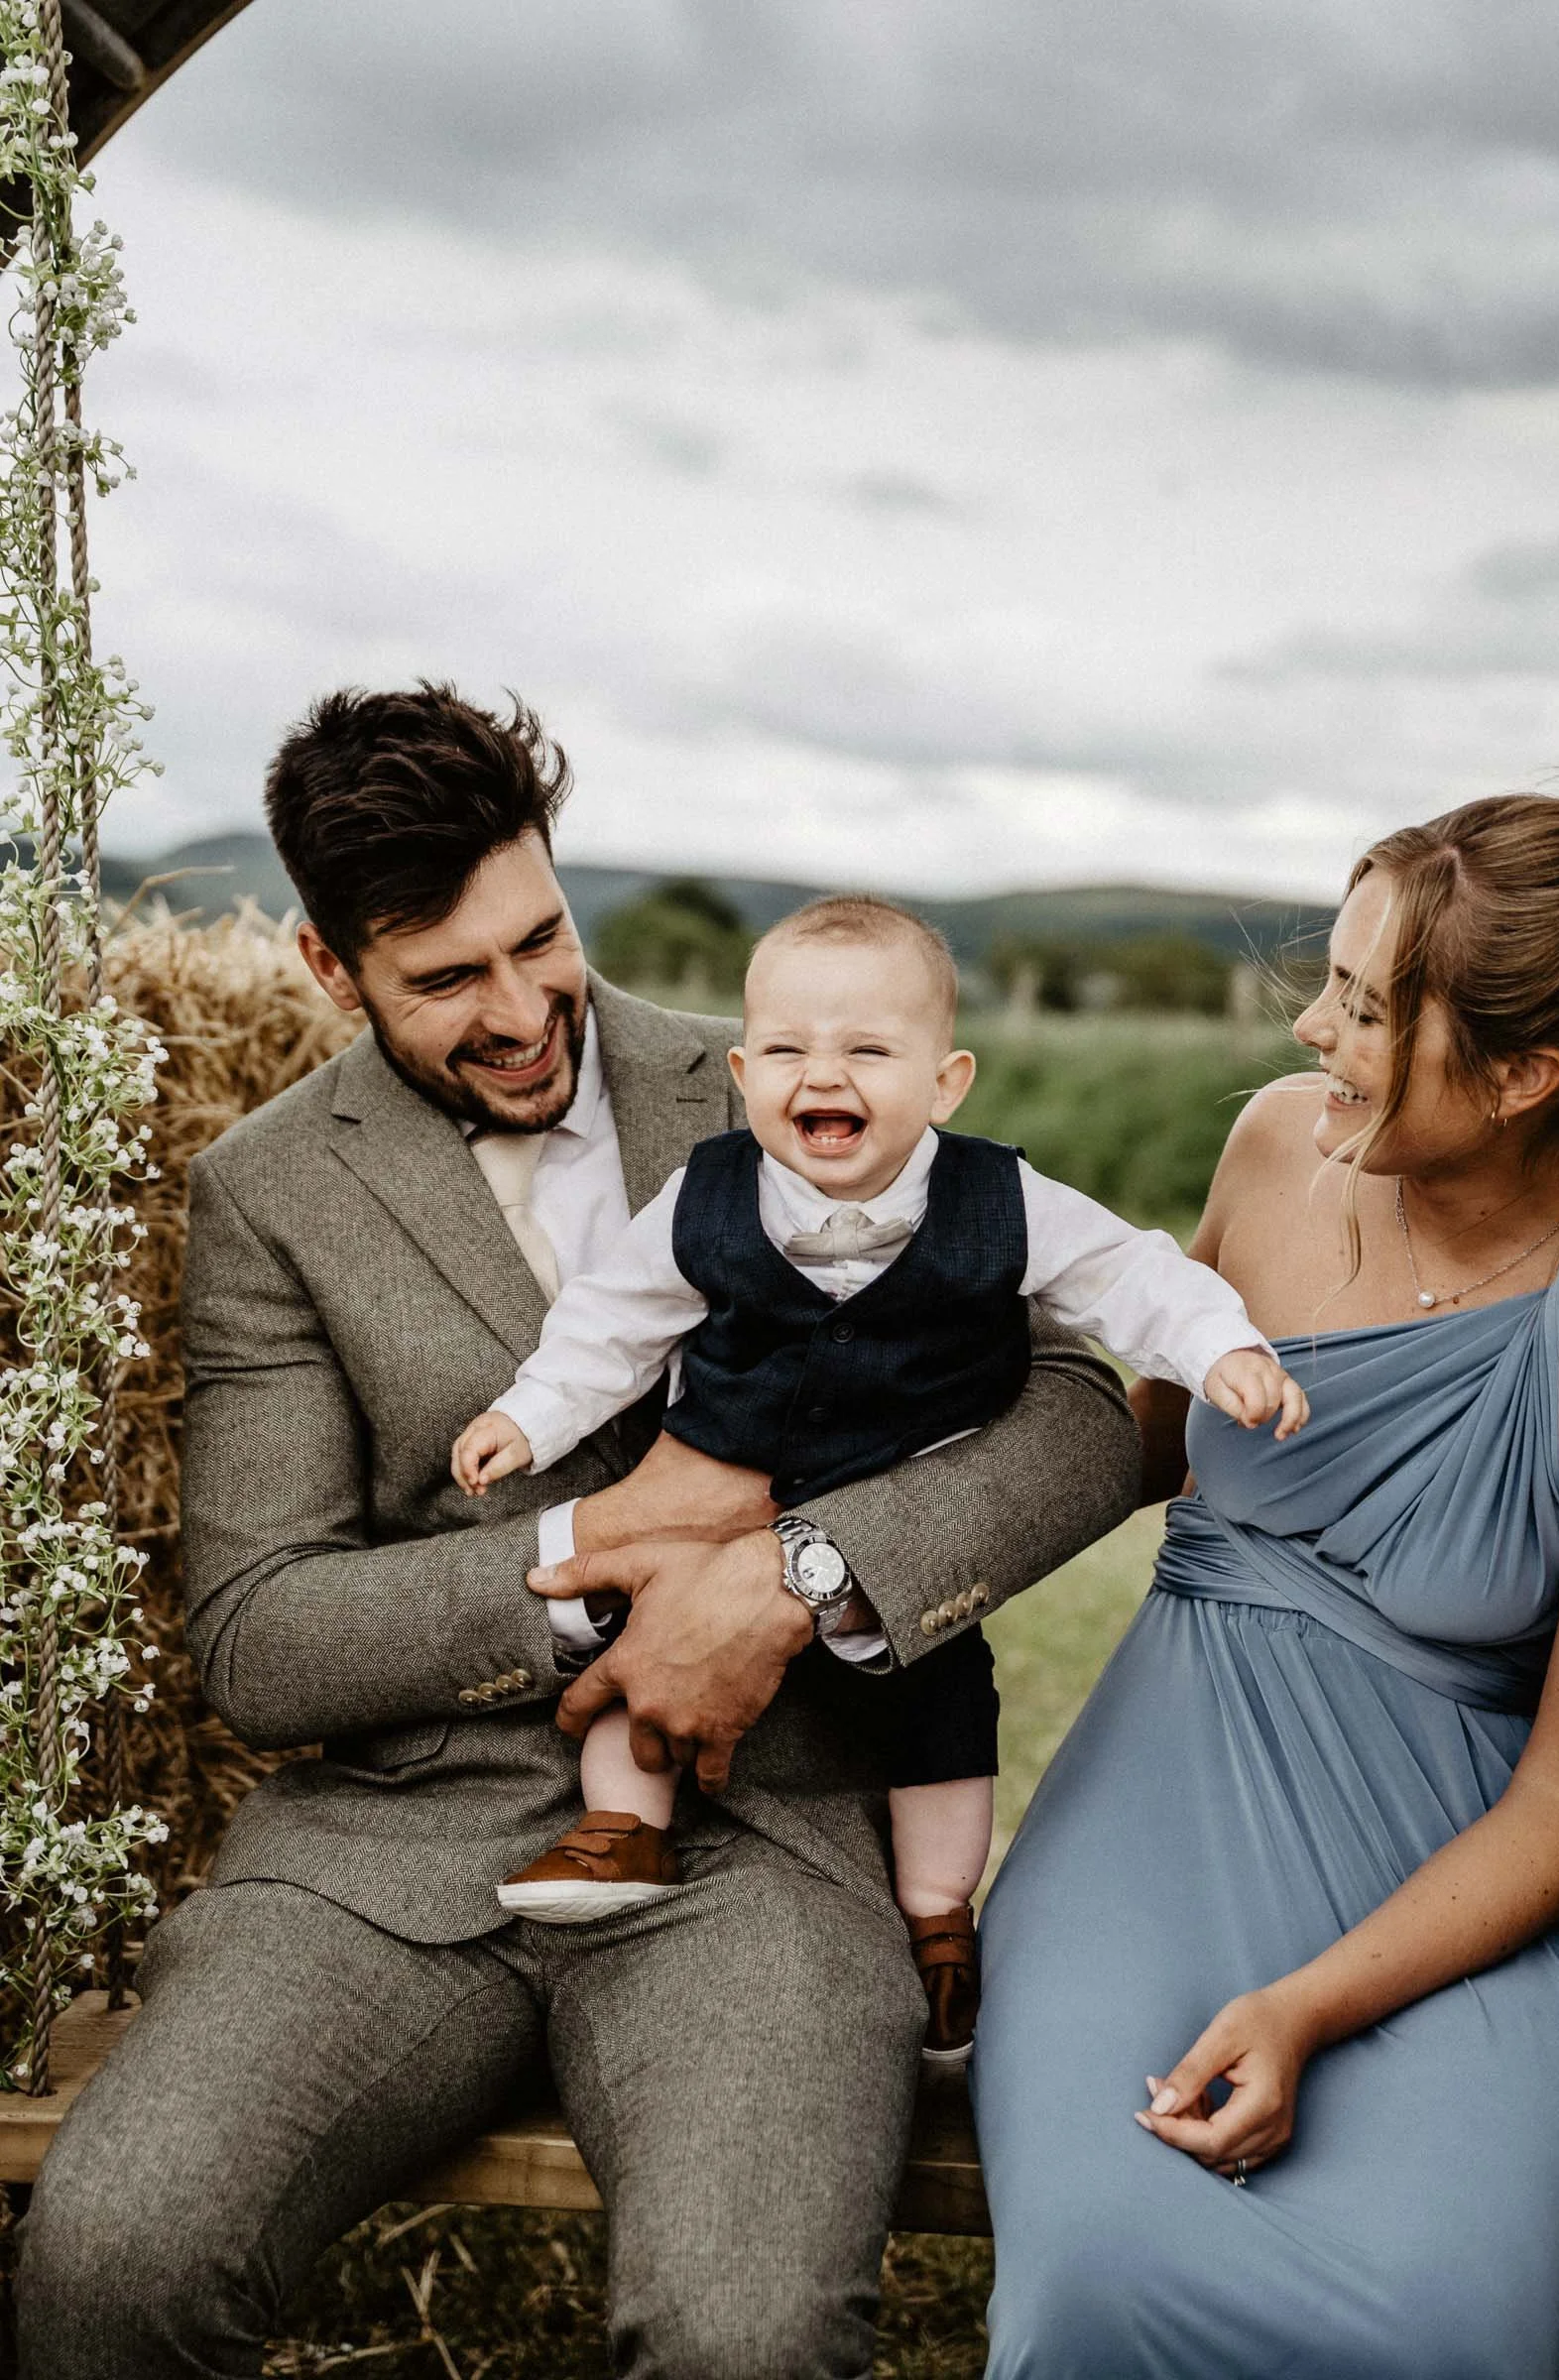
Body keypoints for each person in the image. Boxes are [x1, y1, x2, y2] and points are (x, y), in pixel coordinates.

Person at [17, 683, 1142, 2380]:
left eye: (540, 939)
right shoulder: (269, 1188)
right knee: (109, 2262)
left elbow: (1081, 1417)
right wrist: (595, 1555)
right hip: (389, 1858)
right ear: (328, 968)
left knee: (747, 2338)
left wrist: (793, 1577)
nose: (523, 1008)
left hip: (762, 1850)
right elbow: (260, 1635)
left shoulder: (794, 1073)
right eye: (445, 979)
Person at [451, 893, 1305, 2067]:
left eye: (866, 1050)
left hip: (895, 1519)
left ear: (945, 1084)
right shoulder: (705, 1196)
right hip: (723, 1499)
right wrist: (529, 1416)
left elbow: (1130, 1277)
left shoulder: (1002, 1201)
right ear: (744, 1075)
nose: (823, 1075)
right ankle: (621, 1829)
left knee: (941, 1703)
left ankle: (941, 1920)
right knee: (638, 1638)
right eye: (788, 1050)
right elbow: (612, 1325)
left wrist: (1220, 1351)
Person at [975, 790, 1559, 2380]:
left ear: (1524, 1075)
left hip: (1463, 1874)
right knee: (1098, 2274)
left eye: (1367, 1010)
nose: (1313, 1030)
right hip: (1153, 1819)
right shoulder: (1270, 1148)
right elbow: (1130, 1443)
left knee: (1453, 2315)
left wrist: (1311, 2005)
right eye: (1328, 984)